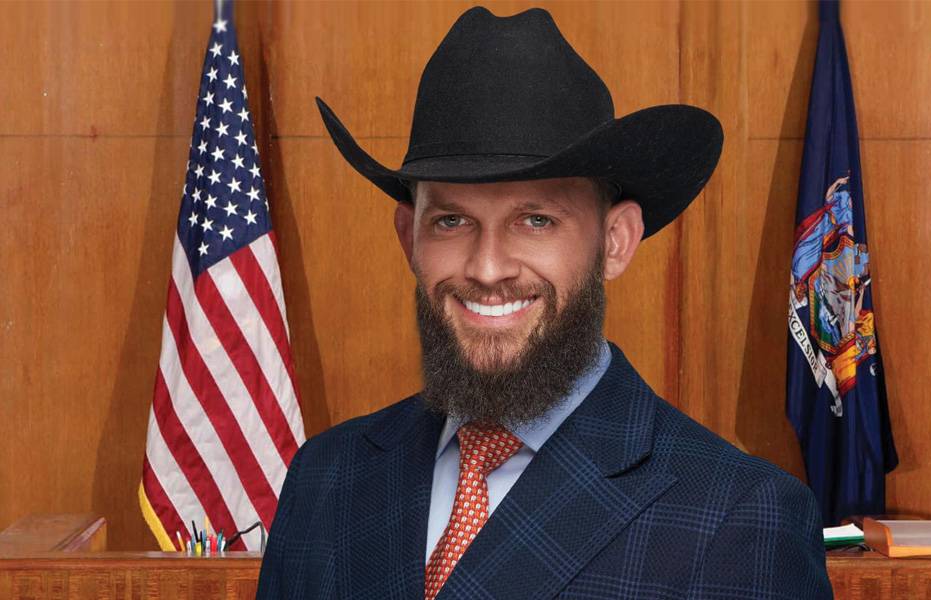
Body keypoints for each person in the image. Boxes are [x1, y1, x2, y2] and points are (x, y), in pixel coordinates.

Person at [257, 6, 832, 599]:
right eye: (451, 221)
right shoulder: (325, 477)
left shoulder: (738, 517)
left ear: (615, 241)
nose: (487, 268)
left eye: (536, 220)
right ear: (409, 237)